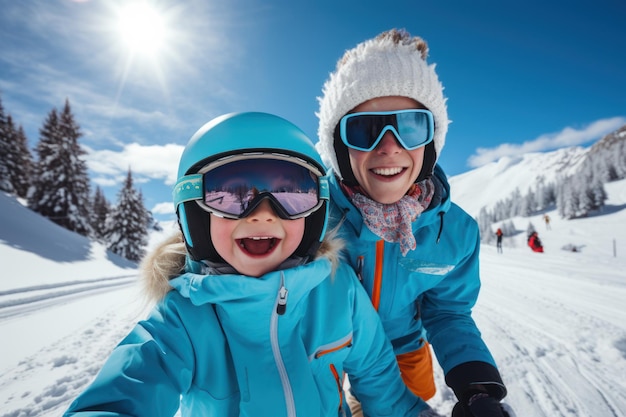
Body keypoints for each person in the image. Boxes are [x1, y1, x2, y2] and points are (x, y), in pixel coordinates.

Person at [63, 112, 441, 417]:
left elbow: (381, 383)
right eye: (230, 194)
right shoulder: (182, 319)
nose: (262, 214)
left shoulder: (338, 291)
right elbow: (124, 393)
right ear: (193, 212)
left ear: (315, 211)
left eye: (292, 194)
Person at [316, 29, 514, 417]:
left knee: (409, 400)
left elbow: (448, 311)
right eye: (364, 129)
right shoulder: (305, 216)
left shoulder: (453, 232)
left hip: (403, 346)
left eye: (409, 127)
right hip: (325, 349)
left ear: (431, 141)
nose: (389, 146)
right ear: (338, 146)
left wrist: (476, 388)